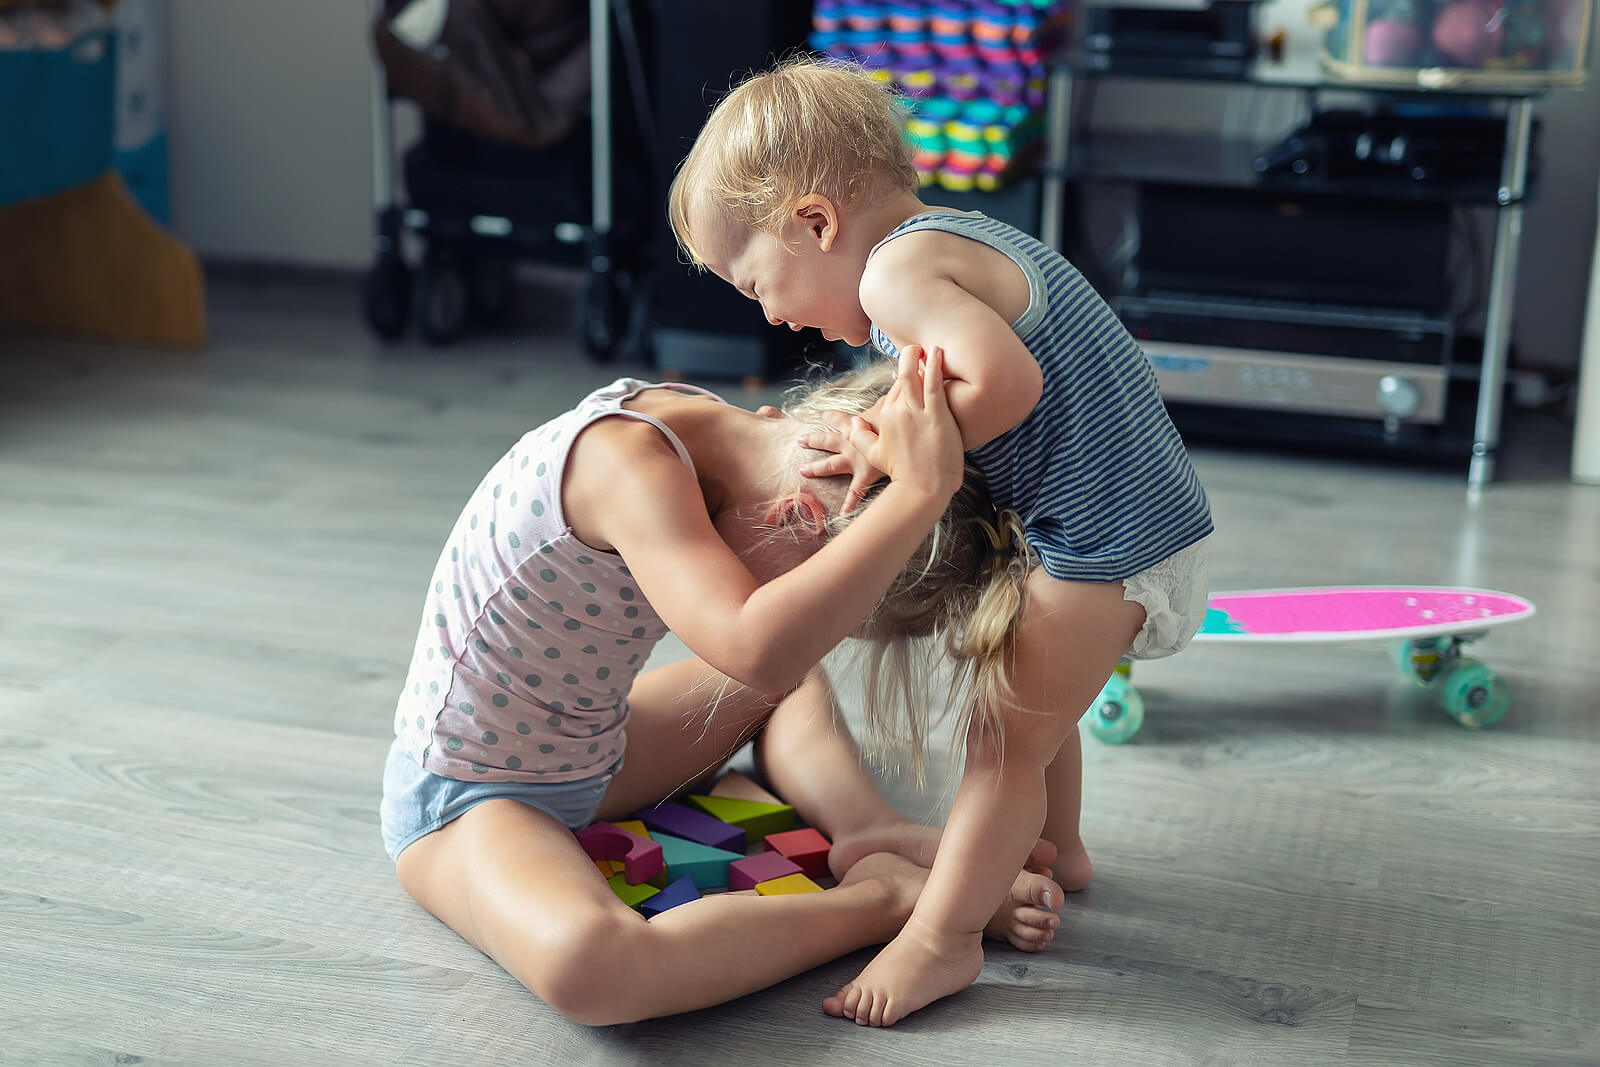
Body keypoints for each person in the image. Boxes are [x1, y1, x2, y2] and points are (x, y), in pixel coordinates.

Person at [667, 56, 1214, 1026]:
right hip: (1121, 523)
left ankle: (942, 938)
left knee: (998, 740)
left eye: (756, 282)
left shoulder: (894, 274)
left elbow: (1007, 387)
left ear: (814, 224)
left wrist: (895, 447)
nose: (769, 313)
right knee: (1031, 707)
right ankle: (1062, 849)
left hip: (1106, 537)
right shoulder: (946, 239)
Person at [379, 353, 1067, 1026]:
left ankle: (866, 828)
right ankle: (884, 897)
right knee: (592, 967)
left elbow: (780, 664)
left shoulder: (730, 432)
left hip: (592, 748)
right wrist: (921, 490)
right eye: (837, 619)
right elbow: (764, 651)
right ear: (794, 517)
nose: (823, 632)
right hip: (469, 793)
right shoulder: (626, 464)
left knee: (791, 679)